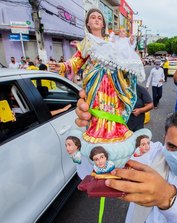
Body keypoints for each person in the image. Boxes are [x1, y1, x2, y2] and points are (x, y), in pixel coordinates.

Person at [75, 102, 177, 223]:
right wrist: (96, 133)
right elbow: (95, 167)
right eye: (172, 146)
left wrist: (168, 198)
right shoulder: (150, 154)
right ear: (164, 140)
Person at [49, 8, 145, 144]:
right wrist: (63, 66)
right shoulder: (87, 42)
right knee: (97, 105)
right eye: (93, 17)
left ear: (103, 24)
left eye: (99, 18)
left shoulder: (111, 43)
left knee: (113, 106)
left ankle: (115, 130)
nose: (96, 19)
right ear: (88, 23)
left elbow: (121, 59)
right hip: (96, 82)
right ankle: (98, 131)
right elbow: (77, 60)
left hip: (112, 81)